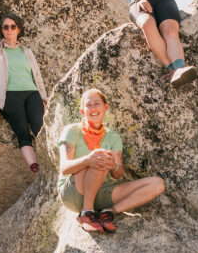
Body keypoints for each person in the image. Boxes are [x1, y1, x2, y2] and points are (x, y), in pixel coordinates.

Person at [57, 89, 165, 235]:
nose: (93, 108)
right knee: (100, 157)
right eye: (89, 105)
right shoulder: (71, 131)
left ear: (105, 107)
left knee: (157, 184)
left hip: (102, 193)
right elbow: (64, 168)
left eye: (97, 103)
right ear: (82, 111)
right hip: (74, 192)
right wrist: (88, 160)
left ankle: (108, 212)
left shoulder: (113, 137)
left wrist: (113, 165)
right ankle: (86, 213)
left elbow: (118, 174)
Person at [0, 14, 48, 172]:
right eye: (6, 27)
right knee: (23, 133)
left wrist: (43, 99)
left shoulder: (27, 51)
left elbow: (37, 76)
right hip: (10, 96)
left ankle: (54, 162)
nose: (9, 30)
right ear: (2, 30)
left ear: (19, 29)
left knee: (40, 128)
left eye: (13, 26)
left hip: (32, 94)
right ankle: (35, 167)